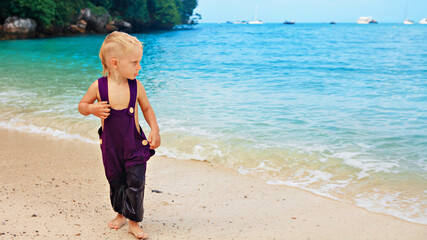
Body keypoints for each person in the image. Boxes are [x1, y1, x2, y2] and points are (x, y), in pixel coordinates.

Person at [78, 31, 160, 239]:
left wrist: (155, 130)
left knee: (136, 182)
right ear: (115, 63)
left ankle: (134, 221)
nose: (139, 67)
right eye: (134, 62)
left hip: (134, 144)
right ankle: (120, 213)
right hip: (111, 147)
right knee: (116, 181)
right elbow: (82, 105)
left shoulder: (136, 87)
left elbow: (148, 109)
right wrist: (92, 110)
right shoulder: (99, 86)